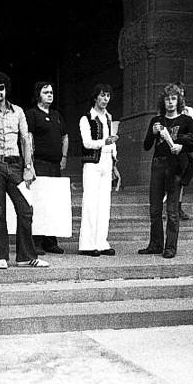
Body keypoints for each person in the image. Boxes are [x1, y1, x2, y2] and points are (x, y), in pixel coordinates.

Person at [0, 71, 49, 270]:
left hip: (14, 164)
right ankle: (0, 256)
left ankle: (26, 256)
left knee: (25, 208)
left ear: (6, 89)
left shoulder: (17, 111)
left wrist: (28, 166)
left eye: (1, 88)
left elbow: (25, 139)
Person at [138, 83, 193, 259]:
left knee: (172, 211)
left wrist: (181, 146)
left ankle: (170, 247)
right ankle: (155, 244)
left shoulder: (186, 120)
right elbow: (147, 145)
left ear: (178, 101)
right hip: (158, 164)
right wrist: (152, 132)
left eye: (173, 99)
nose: (170, 102)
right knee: (155, 209)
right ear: (163, 101)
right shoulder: (156, 121)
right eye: (167, 99)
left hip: (175, 167)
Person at [25, 81, 68, 255]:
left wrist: (64, 157)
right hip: (39, 163)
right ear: (38, 95)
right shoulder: (32, 114)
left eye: (51, 92)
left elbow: (65, 136)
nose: (50, 95)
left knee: (53, 203)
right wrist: (30, 163)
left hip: (55, 165)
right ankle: (36, 242)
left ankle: (51, 242)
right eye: (46, 92)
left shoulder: (57, 115)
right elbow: (28, 137)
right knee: (39, 203)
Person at [78, 83, 119, 257]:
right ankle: (87, 244)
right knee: (90, 203)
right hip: (93, 163)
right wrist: (105, 142)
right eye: (102, 96)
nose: (105, 99)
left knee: (104, 204)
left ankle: (101, 242)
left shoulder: (109, 118)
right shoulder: (86, 118)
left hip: (107, 162)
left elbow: (113, 143)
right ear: (95, 97)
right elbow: (87, 143)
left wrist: (115, 162)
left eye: (108, 96)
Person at [175, 82, 193, 221]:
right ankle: (173, 205)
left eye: (182, 93)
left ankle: (178, 204)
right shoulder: (168, 109)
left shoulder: (189, 110)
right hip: (171, 146)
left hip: (183, 145)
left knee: (189, 166)